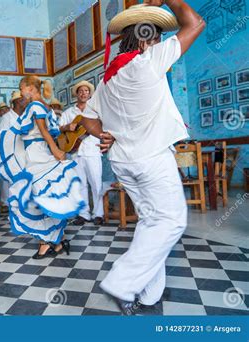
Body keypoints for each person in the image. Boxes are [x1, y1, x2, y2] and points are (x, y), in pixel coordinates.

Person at [81, 1, 205, 315]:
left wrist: (102, 135)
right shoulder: (149, 61)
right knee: (172, 221)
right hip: (151, 157)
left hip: (123, 160)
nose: (164, 42)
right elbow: (196, 24)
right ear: (147, 39)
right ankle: (122, 282)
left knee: (152, 222)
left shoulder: (106, 79)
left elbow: (87, 118)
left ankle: (149, 295)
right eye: (159, 36)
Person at [0, 76, 85, 259]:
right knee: (44, 195)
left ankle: (46, 242)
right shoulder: (46, 106)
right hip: (40, 153)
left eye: (21, 88)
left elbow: (45, 131)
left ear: (30, 88)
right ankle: (57, 240)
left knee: (35, 197)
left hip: (37, 155)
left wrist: (55, 150)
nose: (21, 92)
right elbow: (51, 130)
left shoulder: (35, 106)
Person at [60, 80, 104, 226]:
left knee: (96, 183)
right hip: (75, 152)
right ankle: (83, 214)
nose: (84, 93)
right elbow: (57, 129)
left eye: (86, 91)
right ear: (76, 94)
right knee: (80, 184)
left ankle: (98, 213)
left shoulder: (96, 111)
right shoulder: (69, 112)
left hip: (92, 150)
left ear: (90, 94)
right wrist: (67, 127)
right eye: (81, 91)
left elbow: (104, 127)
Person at [0, 91, 22, 212]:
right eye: (21, 100)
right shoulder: (7, 117)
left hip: (22, 154)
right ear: (16, 103)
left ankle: (19, 205)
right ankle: (7, 204)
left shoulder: (25, 117)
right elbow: (1, 136)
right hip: (10, 154)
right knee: (9, 182)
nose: (24, 102)